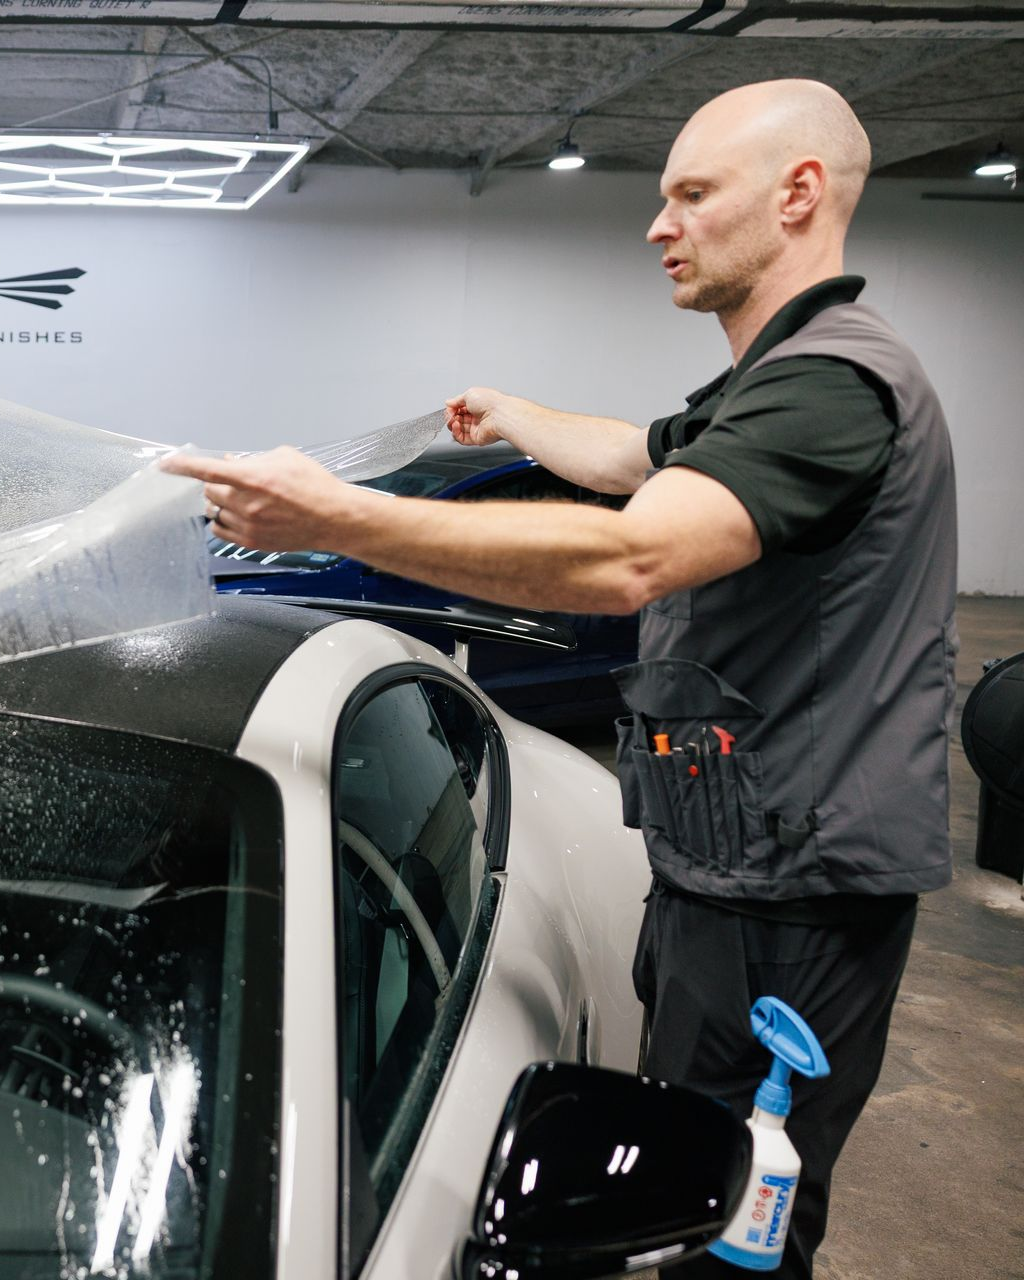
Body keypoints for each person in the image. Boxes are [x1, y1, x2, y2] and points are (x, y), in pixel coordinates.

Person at [164, 78, 957, 1277]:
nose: (658, 223)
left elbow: (635, 550)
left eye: (691, 193)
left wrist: (339, 518)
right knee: (689, 1164)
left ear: (798, 196)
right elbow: (632, 458)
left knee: (731, 1216)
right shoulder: (773, 381)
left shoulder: (831, 384)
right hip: (736, 867)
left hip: (789, 898)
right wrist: (512, 412)